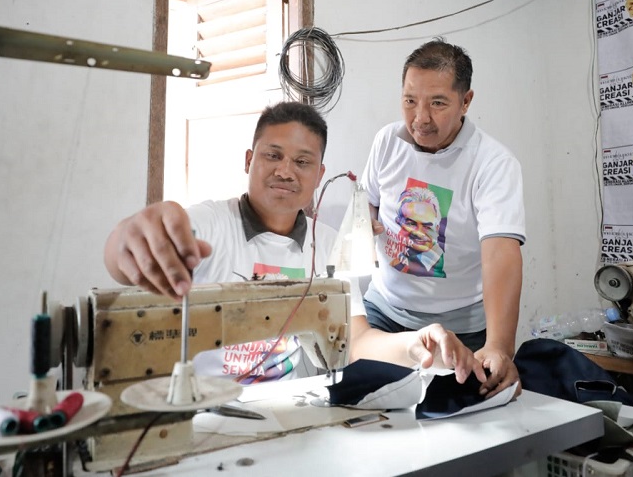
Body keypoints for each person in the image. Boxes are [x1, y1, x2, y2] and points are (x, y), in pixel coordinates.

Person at [104, 101, 485, 385]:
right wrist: (127, 239)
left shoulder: (330, 246)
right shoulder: (210, 224)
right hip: (201, 411)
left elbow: (354, 342)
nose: (286, 171)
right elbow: (126, 260)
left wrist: (415, 346)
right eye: (273, 155)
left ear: (319, 174)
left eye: (302, 162)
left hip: (283, 414)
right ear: (250, 159)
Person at [355, 38, 526, 399]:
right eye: (409, 101)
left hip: (461, 328)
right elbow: (367, 200)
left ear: (466, 102)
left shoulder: (493, 163)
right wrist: (366, 221)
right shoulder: (387, 141)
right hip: (385, 313)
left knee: (458, 428)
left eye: (437, 103)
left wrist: (499, 345)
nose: (420, 118)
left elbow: (500, 253)